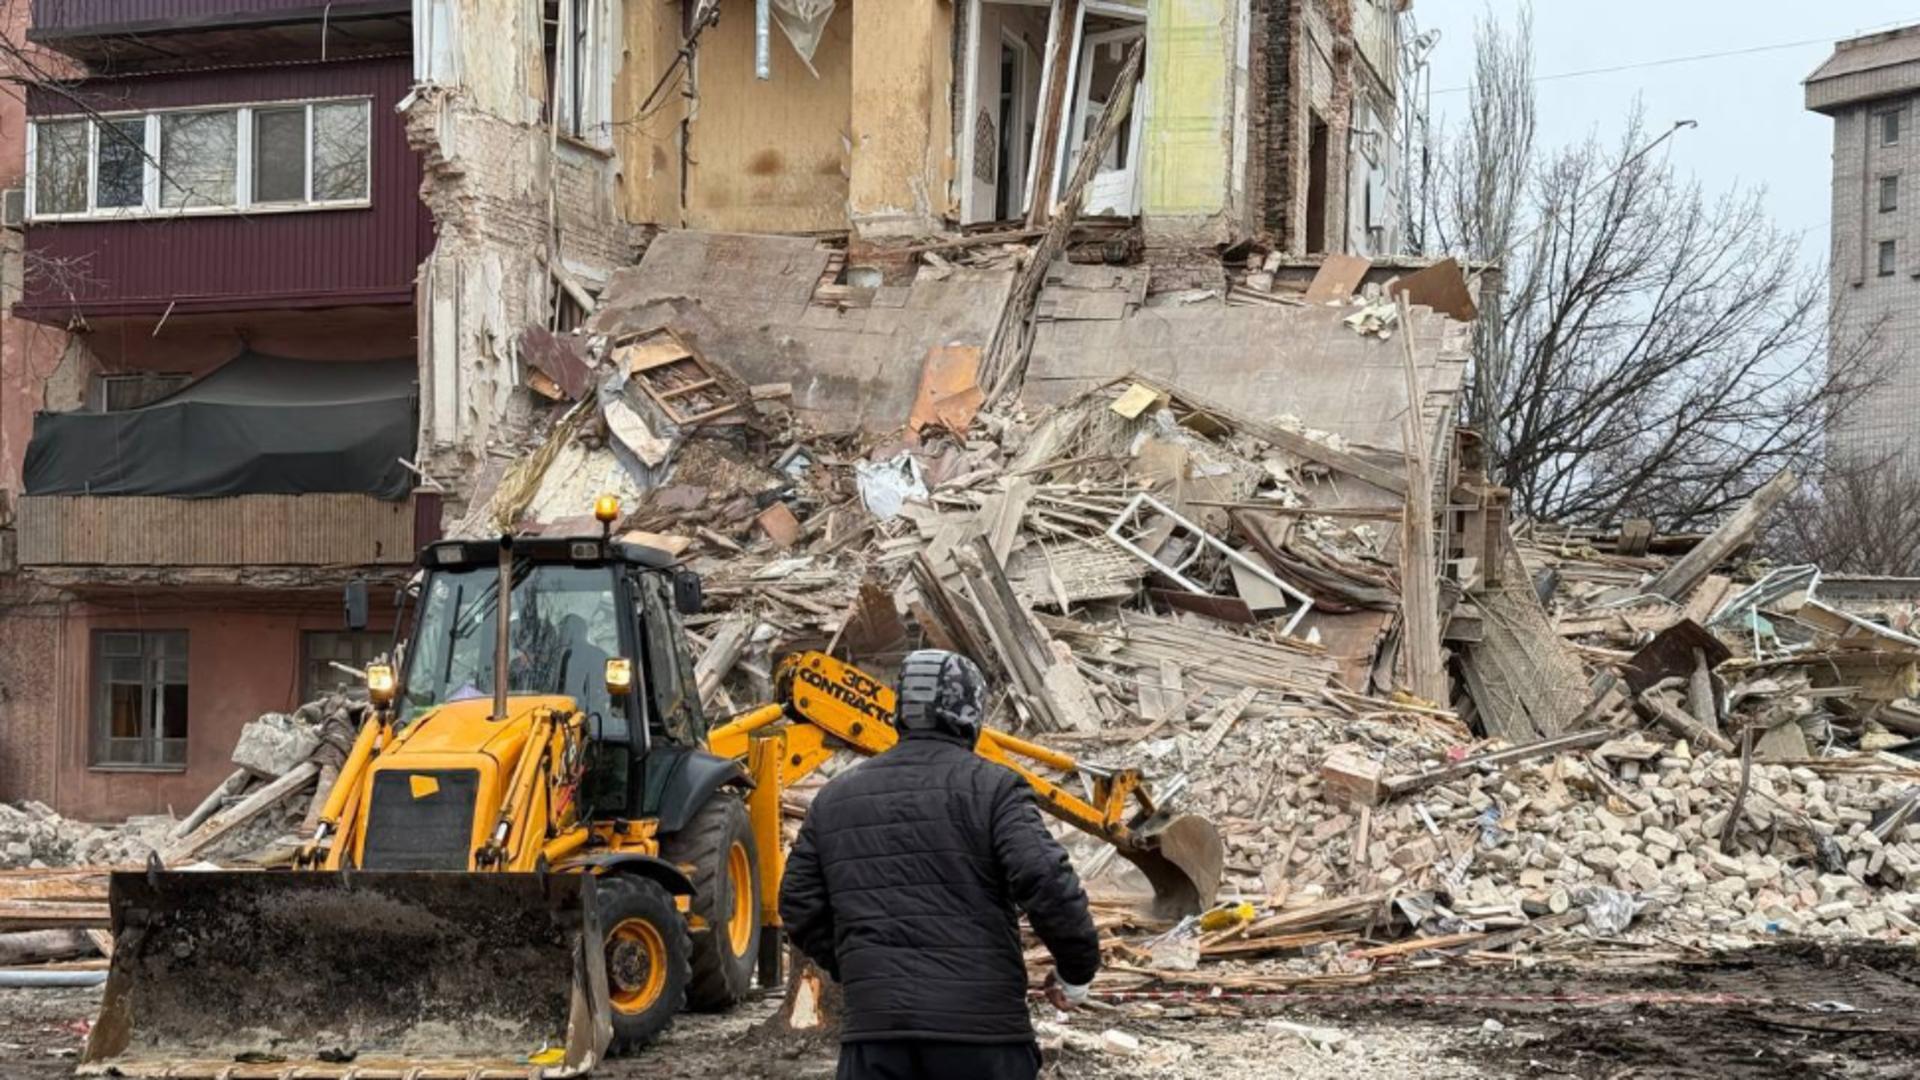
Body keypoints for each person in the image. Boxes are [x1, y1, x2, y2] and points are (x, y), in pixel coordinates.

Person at [779, 650, 1101, 1080]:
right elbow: (1045, 877)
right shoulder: (995, 788)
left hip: (875, 1035)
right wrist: (1075, 971)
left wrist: (859, 965)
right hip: (982, 1038)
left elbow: (798, 901)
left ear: (900, 711)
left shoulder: (836, 797)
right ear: (972, 713)